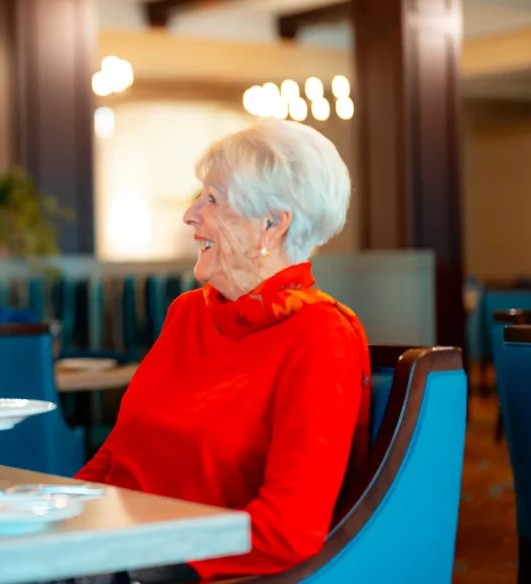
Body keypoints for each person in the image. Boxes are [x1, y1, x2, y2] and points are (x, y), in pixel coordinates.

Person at [56, 119, 371, 584]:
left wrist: (145, 566)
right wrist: (58, 523)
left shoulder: (321, 334)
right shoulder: (189, 313)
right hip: (115, 551)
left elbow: (288, 529)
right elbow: (116, 457)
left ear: (272, 224)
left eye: (212, 200)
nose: (189, 214)